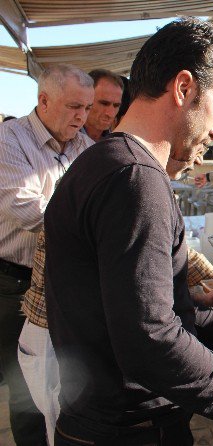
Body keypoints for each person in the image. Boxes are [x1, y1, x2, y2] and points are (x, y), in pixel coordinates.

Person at [44, 18, 213, 446]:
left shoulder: (107, 163)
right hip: (128, 431)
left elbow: (139, 307)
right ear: (183, 88)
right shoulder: (134, 179)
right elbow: (149, 340)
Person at [18, 146, 213, 446]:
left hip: (105, 408)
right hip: (121, 422)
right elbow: (150, 334)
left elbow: (150, 298)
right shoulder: (132, 179)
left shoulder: (112, 167)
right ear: (182, 95)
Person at [0, 64, 94, 446]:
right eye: (75, 107)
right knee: (24, 387)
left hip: (59, 283)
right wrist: (88, 220)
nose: (82, 117)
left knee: (54, 378)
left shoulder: (84, 146)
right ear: (43, 100)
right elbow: (27, 210)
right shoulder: (9, 140)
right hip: (14, 282)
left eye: (86, 108)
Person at [82, 69, 124, 141]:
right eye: (104, 103)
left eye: (116, 105)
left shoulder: (116, 142)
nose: (111, 114)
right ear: (84, 99)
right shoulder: (63, 140)